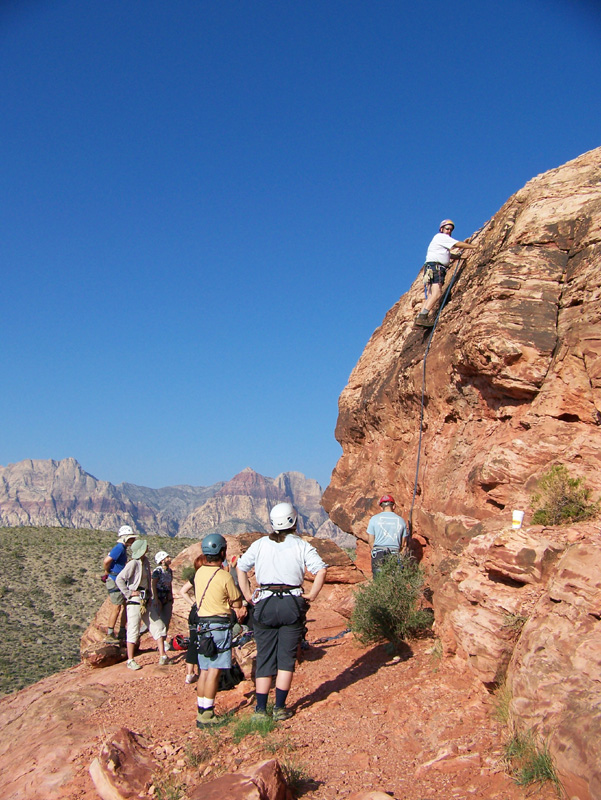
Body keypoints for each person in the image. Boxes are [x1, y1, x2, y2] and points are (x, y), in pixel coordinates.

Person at [236, 502, 328, 721]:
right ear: (293, 521)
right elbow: (321, 569)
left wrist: (248, 595)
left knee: (265, 656)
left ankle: (260, 710)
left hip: (265, 603)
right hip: (292, 602)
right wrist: (312, 594)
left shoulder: (260, 544)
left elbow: (241, 567)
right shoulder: (301, 545)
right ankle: (279, 708)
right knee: (286, 658)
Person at [194, 534, 245, 727]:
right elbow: (237, 601)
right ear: (222, 552)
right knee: (214, 671)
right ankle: (208, 714)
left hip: (202, 627)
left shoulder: (199, 573)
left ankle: (201, 709)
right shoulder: (223, 576)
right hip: (219, 627)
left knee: (204, 670)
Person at [415, 219, 477, 327]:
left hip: (431, 267)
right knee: (437, 293)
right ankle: (422, 317)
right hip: (436, 268)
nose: (449, 231)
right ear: (441, 229)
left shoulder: (440, 241)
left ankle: (420, 317)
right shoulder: (441, 237)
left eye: (451, 230)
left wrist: (458, 257)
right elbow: (457, 244)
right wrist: (474, 246)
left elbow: (447, 254)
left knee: (430, 295)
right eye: (447, 229)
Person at [115, 537, 153, 670]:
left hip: (145, 598)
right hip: (135, 599)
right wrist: (129, 593)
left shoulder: (146, 561)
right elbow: (120, 579)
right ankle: (130, 660)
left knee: (154, 624)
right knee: (133, 628)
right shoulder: (133, 564)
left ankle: (162, 652)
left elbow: (148, 581)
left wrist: (150, 595)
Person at [102, 525, 137, 641]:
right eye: (131, 538)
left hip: (119, 579)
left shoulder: (122, 548)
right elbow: (106, 561)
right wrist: (107, 572)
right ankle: (110, 634)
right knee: (116, 607)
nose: (133, 540)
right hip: (115, 580)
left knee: (124, 605)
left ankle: (122, 631)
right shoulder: (119, 548)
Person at [367, 494, 409, 576]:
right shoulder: (401, 521)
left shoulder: (374, 519)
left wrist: (375, 550)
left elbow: (371, 540)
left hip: (378, 553)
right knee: (394, 582)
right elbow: (403, 543)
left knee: (379, 582)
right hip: (394, 554)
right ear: (394, 506)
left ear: (381, 507)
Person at [180, 554, 205, 685]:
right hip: (204, 612)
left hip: (194, 612)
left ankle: (189, 673)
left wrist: (192, 603)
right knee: (204, 641)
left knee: (193, 641)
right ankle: (203, 672)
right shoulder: (207, 576)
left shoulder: (194, 577)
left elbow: (183, 591)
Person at [150, 550, 174, 666]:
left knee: (166, 621)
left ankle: (163, 643)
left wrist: (171, 595)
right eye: (167, 557)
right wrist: (155, 598)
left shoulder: (169, 571)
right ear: (162, 560)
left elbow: (170, 585)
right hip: (159, 599)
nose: (169, 558)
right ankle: (161, 648)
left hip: (167, 599)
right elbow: (153, 584)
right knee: (158, 623)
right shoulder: (157, 571)